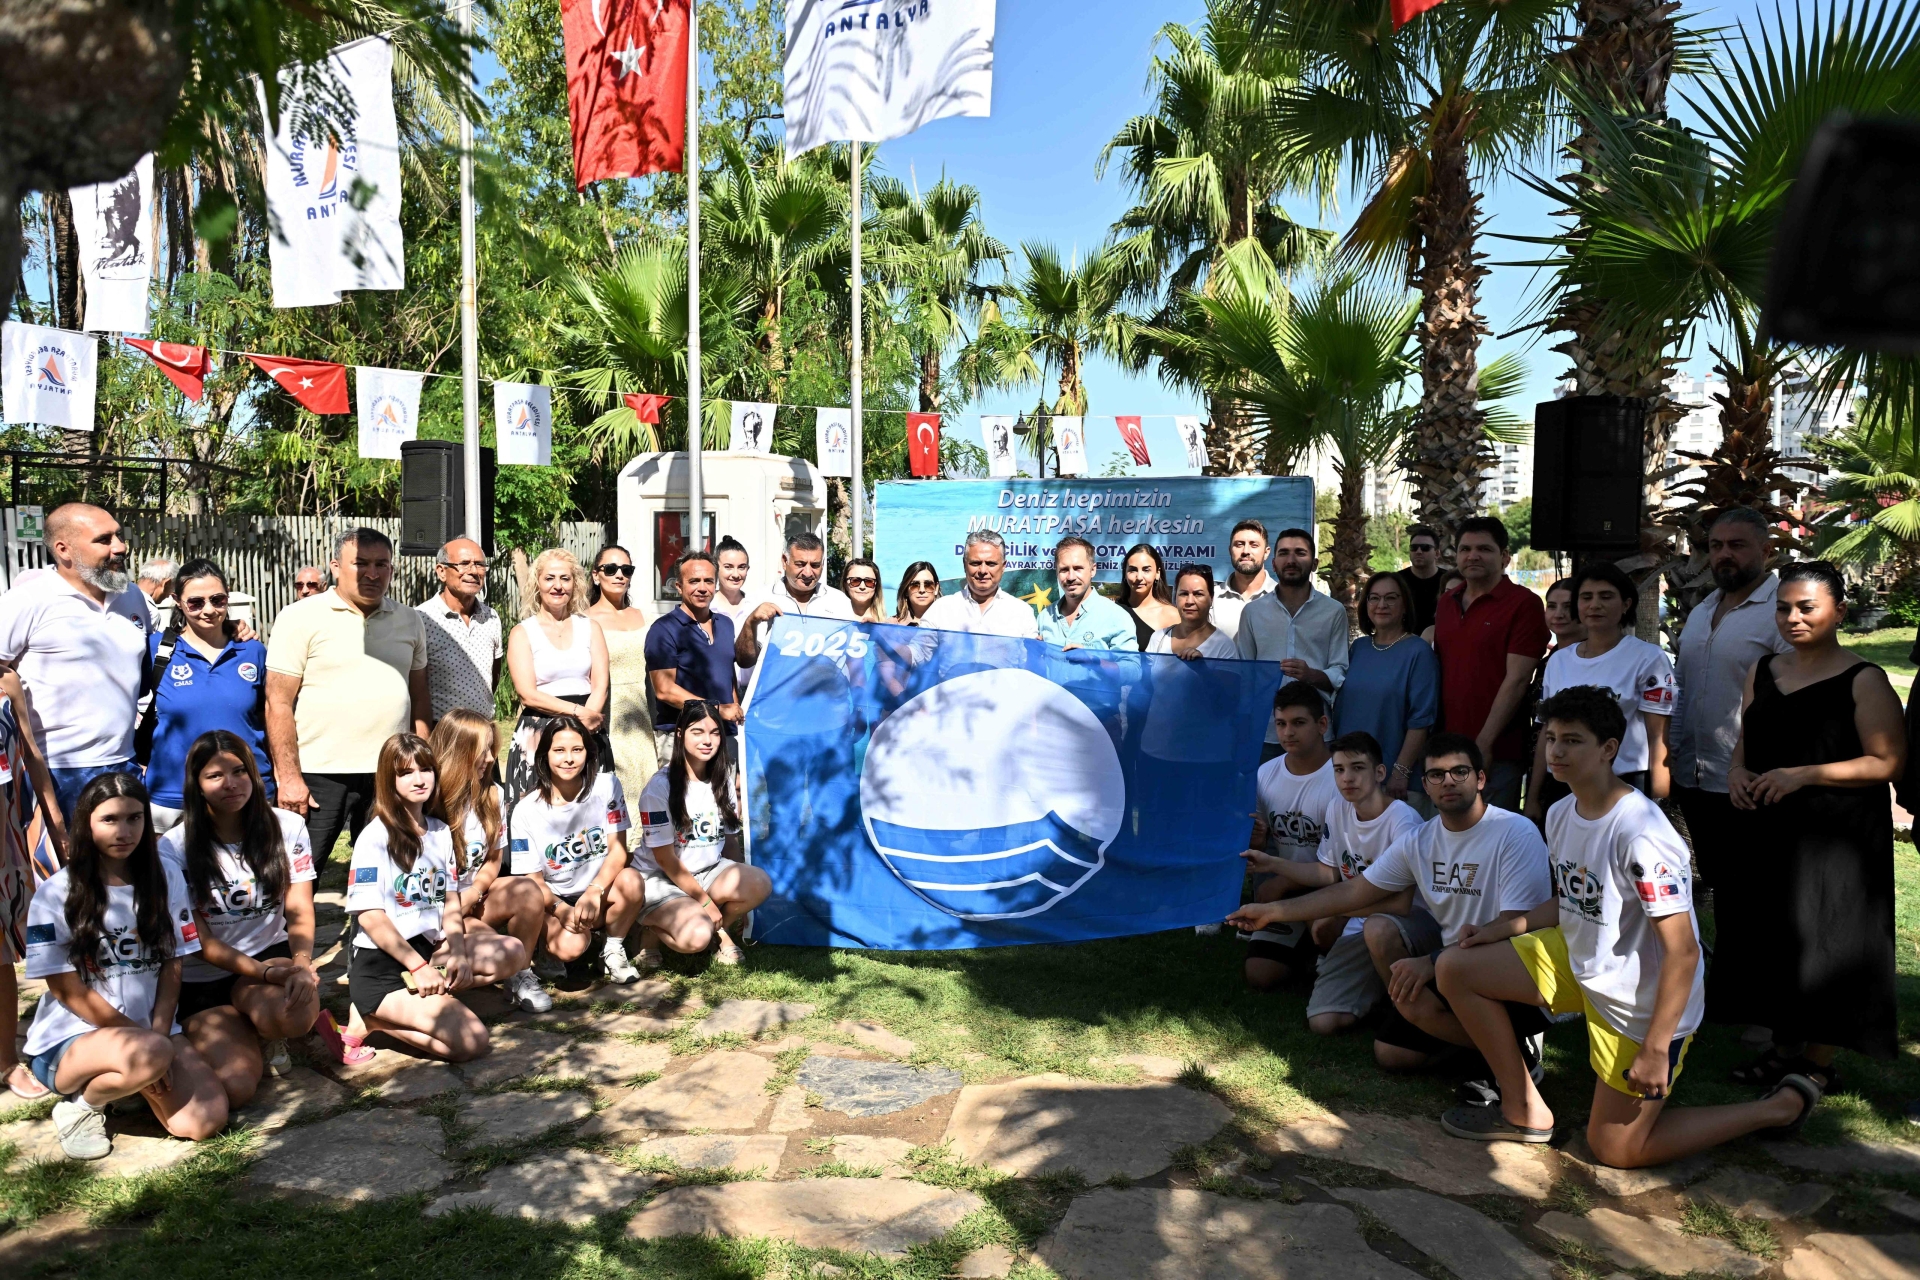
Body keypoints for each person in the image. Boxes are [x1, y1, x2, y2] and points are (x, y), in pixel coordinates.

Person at [1434, 686, 1819, 1158]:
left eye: (1572, 740)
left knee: (1616, 1150)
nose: (1555, 751)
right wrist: (1500, 928)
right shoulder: (1560, 811)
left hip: (1641, 1000)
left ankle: (1779, 1107)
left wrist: (1656, 1047)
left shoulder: (1642, 834)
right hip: (1580, 961)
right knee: (1456, 967)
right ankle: (1523, 1110)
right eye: (1550, 738)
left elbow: (1684, 951)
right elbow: (1574, 899)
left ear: (1609, 749)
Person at [1228, 732, 1554, 1075]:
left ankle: (1515, 1053)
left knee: (1401, 948)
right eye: (1436, 775)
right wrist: (1272, 912)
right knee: (1391, 1054)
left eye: (1460, 772)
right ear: (1425, 786)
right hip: (1451, 963)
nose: (1448, 782)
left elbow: (1515, 924)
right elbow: (1354, 890)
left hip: (1507, 970)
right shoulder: (1421, 839)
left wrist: (1434, 962)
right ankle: (1497, 1047)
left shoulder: (1514, 831)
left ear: (1481, 779)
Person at [1716, 560, 1905, 1088]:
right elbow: (1747, 737)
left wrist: (1805, 775)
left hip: (1837, 835)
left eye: (1806, 608)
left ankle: (1817, 1065)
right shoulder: (1763, 670)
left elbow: (1888, 762)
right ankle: (1783, 1051)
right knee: (1776, 938)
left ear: (1839, 612)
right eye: (1783, 609)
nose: (1792, 619)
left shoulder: (1864, 678)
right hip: (1768, 829)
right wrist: (1736, 772)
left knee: (1831, 939)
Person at [22, 773, 227, 1160]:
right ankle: (82, 1106)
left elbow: (173, 963)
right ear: (86, 823)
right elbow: (66, 989)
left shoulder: (166, 876)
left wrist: (160, 1035)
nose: (124, 831)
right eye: (109, 819)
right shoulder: (54, 893)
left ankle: (131, 1081)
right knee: (149, 1055)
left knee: (205, 1121)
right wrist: (150, 1046)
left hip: (151, 1034)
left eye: (135, 818)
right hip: (73, 1040)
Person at [161, 731, 368, 1106]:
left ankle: (263, 1027)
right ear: (196, 784)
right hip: (204, 976)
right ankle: (236, 1028)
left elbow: (299, 905)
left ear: (254, 774)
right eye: (215, 775)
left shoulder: (287, 826)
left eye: (239, 771)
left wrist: (301, 963)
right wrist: (269, 975)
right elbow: (201, 942)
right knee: (238, 1087)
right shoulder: (173, 848)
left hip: (268, 958)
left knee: (297, 1013)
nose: (231, 783)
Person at [346, 733, 521, 1061]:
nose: (419, 779)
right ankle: (371, 1018)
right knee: (472, 1041)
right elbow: (369, 916)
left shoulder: (441, 831)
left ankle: (423, 998)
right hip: (382, 966)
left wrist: (459, 954)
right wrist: (417, 967)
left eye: (425, 769)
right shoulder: (374, 836)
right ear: (388, 780)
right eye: (405, 773)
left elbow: (451, 901)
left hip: (430, 949)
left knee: (513, 952)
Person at [266, 527, 430, 866]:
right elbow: (277, 703)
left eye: (381, 564)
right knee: (299, 874)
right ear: (336, 567)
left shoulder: (410, 620)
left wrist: (420, 767)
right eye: (361, 564)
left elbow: (419, 699)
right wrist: (290, 777)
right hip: (318, 774)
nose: (372, 573)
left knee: (393, 872)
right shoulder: (299, 617)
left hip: (390, 772)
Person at [1251, 731, 1429, 1035]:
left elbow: (1402, 904)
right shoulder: (1338, 808)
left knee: (1369, 927)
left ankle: (1405, 1007)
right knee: (1323, 1022)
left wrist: (1337, 911)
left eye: (1357, 768)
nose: (1347, 778)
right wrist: (1272, 863)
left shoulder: (1403, 820)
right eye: (1339, 769)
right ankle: (1374, 988)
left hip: (1403, 925)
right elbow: (1327, 873)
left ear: (1380, 773)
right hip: (1360, 921)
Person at [0, 502, 152, 827]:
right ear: (63, 549)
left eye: (119, 536)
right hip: (54, 773)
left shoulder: (132, 596)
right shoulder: (28, 600)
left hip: (125, 765)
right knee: (60, 862)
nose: (120, 547)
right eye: (104, 539)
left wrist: (232, 630)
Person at [1670, 508, 1792, 894]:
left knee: (1756, 896)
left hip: (1751, 784)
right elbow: (1682, 687)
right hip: (1693, 778)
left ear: (1766, 550)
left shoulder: (1782, 612)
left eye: (1737, 545)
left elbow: (1796, 698)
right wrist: (1672, 753)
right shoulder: (1702, 610)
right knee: (1721, 887)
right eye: (1716, 546)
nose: (1724, 554)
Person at [1528, 563, 1675, 820]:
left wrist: (1659, 806)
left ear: (1626, 604)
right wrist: (1532, 797)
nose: (1595, 605)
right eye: (1586, 597)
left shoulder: (1649, 658)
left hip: (1623, 785)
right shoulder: (1559, 660)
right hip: (1563, 784)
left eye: (1606, 596)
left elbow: (1658, 738)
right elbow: (1546, 732)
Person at [508, 716, 647, 985]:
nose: (569, 759)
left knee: (632, 880)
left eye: (577, 749)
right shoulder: (525, 810)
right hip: (553, 898)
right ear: (545, 755)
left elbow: (618, 851)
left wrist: (594, 891)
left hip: (598, 891)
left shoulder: (607, 786)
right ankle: (546, 947)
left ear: (588, 752)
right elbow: (532, 881)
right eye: (559, 750)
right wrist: (559, 909)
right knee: (570, 947)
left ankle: (612, 948)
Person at [429, 709, 551, 1013]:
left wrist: (473, 892)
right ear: (457, 750)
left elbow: (494, 859)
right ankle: (422, 979)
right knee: (495, 950)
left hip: (473, 901)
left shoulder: (493, 795)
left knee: (527, 890)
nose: (489, 758)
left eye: (491, 749)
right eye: (481, 750)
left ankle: (520, 976)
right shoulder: (427, 799)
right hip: (430, 913)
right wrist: (451, 907)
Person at [634, 700, 771, 966]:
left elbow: (729, 840)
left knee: (759, 883)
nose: (707, 740)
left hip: (707, 872)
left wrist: (743, 898)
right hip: (661, 876)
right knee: (695, 938)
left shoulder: (723, 779)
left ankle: (717, 930)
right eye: (697, 732)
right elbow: (665, 859)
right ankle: (649, 930)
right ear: (680, 734)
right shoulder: (659, 787)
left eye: (715, 732)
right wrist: (705, 902)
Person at [142, 559, 271, 834]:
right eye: (196, 602)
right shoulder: (156, 650)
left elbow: (270, 719)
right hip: (173, 795)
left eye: (217, 600)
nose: (209, 610)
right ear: (177, 602)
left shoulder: (253, 650)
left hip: (247, 791)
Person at [1430, 517, 1548, 811]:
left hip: (1497, 752)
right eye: (1465, 549)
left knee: (1495, 833)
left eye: (1484, 549)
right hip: (1446, 748)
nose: (1473, 556)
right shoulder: (1447, 602)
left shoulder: (1524, 604)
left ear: (1505, 556)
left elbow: (1518, 680)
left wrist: (1484, 743)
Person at [1236, 685, 1340, 990]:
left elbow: (1343, 866)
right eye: (1281, 723)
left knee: (1323, 929)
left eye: (1298, 722)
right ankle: (1309, 955)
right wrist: (1256, 840)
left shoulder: (1342, 777)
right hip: (1288, 890)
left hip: (1336, 889)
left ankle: (1333, 957)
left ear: (1322, 724)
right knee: (1260, 974)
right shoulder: (1265, 774)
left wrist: (1281, 883)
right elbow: (1258, 846)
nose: (1288, 732)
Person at [505, 548, 611, 814]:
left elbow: (600, 684)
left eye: (565, 578)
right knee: (536, 814)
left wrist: (586, 723)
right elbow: (527, 694)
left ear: (575, 584)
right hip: (540, 729)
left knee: (592, 815)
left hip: (587, 728)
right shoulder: (522, 632)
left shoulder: (591, 628)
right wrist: (576, 714)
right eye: (550, 578)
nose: (558, 586)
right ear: (537, 583)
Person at [1235, 528, 1350, 762]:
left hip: (1316, 732)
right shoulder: (1253, 612)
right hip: (1265, 732)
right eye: (1284, 553)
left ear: (1314, 563)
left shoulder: (1334, 611)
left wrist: (1311, 675)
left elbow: (1340, 670)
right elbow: (1245, 673)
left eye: (1300, 553)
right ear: (1274, 563)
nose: (1291, 560)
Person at [1334, 571, 1439, 805]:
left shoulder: (1418, 652)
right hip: (1349, 777)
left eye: (1391, 598)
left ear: (1405, 605)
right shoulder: (1358, 648)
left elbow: (1421, 720)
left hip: (1393, 783)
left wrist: (1400, 772)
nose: (1381, 605)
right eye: (1374, 598)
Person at [1, 671, 58, 1099]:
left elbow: (31, 755)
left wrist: (54, 821)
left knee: (1, 955)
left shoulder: (6, 684)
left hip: (5, 844)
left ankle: (5, 1061)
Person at [646, 553, 740, 760]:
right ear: (679, 587)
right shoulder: (663, 629)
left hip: (724, 735)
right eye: (694, 581)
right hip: (681, 735)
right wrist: (717, 709)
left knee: (727, 784)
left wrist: (733, 711)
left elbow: (728, 675)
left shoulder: (726, 624)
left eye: (708, 581)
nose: (702, 588)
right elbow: (664, 690)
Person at [588, 545, 658, 804]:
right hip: (607, 714)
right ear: (596, 575)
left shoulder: (646, 618)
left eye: (626, 570)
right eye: (610, 569)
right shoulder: (583, 620)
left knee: (647, 789)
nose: (619, 575)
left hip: (642, 714)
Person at [733, 532, 859, 672]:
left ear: (823, 564)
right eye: (800, 564)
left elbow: (854, 659)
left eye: (815, 565)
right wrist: (751, 623)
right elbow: (744, 661)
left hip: (828, 686)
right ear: (784, 561)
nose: (807, 572)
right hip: (777, 686)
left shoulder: (840, 602)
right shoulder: (759, 599)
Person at [416, 538, 503, 724]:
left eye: (479, 564)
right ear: (442, 571)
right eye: (464, 564)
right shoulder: (422, 619)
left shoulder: (491, 617)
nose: (473, 571)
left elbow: (494, 675)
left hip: (483, 729)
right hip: (442, 731)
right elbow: (415, 686)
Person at [919, 530, 1040, 638]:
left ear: (1003, 567)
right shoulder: (941, 608)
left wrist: (1038, 649)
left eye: (991, 564)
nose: (982, 570)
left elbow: (1032, 653)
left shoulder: (1022, 612)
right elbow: (918, 650)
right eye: (975, 563)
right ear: (964, 564)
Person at [1039, 537, 1138, 650]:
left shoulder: (1117, 617)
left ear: (1093, 570)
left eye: (1078, 568)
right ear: (1056, 572)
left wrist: (1093, 658)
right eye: (1064, 570)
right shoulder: (1045, 617)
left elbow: (1129, 661)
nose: (1071, 577)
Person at [1147, 564, 1238, 658]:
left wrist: (1204, 665)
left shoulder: (1224, 647)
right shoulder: (1158, 638)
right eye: (1184, 594)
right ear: (1175, 597)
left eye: (1198, 594)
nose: (1190, 601)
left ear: (1211, 598)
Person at [1212, 520, 1275, 640]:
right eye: (1239, 544)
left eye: (1254, 545)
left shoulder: (1280, 596)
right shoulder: (1212, 598)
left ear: (1266, 553)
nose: (1246, 551)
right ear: (1230, 550)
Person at [1119, 544, 1181, 650]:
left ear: (1157, 573)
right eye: (1133, 570)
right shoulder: (1113, 611)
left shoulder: (1172, 615)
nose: (1139, 577)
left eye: (1146, 570)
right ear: (1125, 573)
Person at [1403, 524, 1445, 636]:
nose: (1418, 551)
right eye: (1414, 548)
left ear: (1437, 553)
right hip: (1403, 642)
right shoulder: (1397, 580)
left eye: (1425, 547)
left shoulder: (1448, 581)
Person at [135, 556, 177, 628]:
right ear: (166, 584)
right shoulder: (150, 611)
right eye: (171, 589)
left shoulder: (120, 597)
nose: (168, 596)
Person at [843, 558, 885, 623]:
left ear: (876, 585)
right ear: (845, 584)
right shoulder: (834, 617)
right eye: (855, 581)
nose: (862, 587)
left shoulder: (889, 624)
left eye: (869, 581)